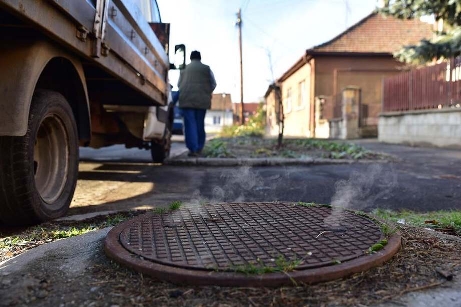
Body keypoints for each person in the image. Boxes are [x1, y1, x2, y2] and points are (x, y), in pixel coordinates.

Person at [178, 50, 217, 157]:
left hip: (186, 100)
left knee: (190, 125)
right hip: (202, 100)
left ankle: (192, 149)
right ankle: (199, 147)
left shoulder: (183, 69)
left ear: (190, 58)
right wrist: (206, 91)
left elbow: (179, 84)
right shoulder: (206, 68)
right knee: (199, 124)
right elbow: (213, 84)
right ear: (200, 58)